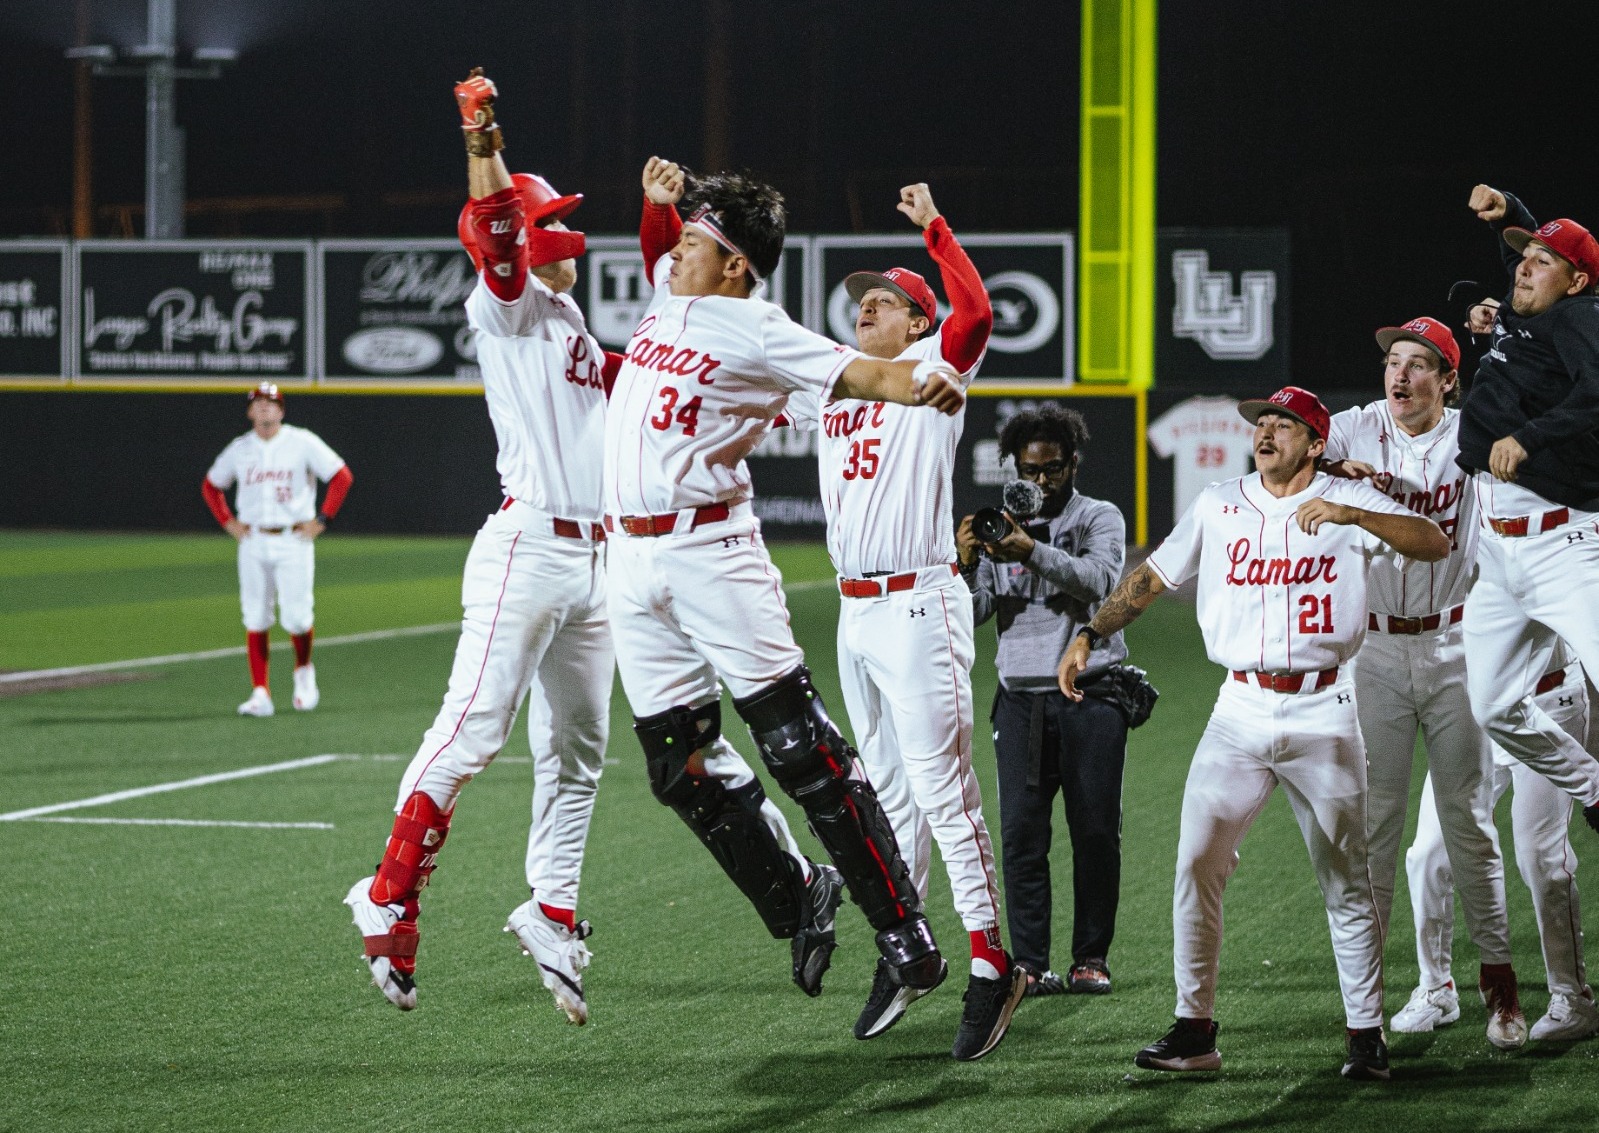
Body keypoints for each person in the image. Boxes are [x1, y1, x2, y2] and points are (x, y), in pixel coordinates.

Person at [604, 156, 977, 1048]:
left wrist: (932, 381)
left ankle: (905, 933)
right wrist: (664, 210)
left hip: (707, 550)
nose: (675, 251)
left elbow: (865, 375)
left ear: (733, 264)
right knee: (675, 767)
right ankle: (800, 892)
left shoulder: (758, 328)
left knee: (797, 747)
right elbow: (665, 249)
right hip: (627, 557)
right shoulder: (670, 294)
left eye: (695, 242)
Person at [1059, 385, 1451, 1081]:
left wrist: (1351, 510)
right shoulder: (1220, 501)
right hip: (1236, 709)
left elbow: (1432, 540)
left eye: (1284, 423)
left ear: (1316, 440)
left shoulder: (1344, 502)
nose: (1265, 431)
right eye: (1259, 421)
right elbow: (1152, 575)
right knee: (1195, 864)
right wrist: (1092, 631)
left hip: (1324, 706)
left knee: (1345, 881)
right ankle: (1193, 1029)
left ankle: (1365, 1036)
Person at [345, 70, 616, 1024]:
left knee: (580, 749)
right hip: (529, 547)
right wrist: (479, 130)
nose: (564, 234)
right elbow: (496, 229)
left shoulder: (572, 319)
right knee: (472, 732)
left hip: (595, 562)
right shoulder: (507, 305)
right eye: (554, 222)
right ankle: (385, 893)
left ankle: (551, 906)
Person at [784, 182, 1024, 1059]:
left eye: (881, 301)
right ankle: (906, 944)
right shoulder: (835, 393)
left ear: (915, 324)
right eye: (861, 301)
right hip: (853, 615)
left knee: (943, 794)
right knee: (881, 793)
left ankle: (994, 966)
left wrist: (932, 229)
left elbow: (978, 309)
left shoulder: (934, 375)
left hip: (920, 604)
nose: (865, 309)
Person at [1320, 317, 1524, 1047]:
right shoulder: (1353, 426)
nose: (1398, 375)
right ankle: (1374, 1000)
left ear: (1447, 379)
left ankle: (1499, 988)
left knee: (1468, 826)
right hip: (1369, 651)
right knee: (1371, 831)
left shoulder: (1473, 434)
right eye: (1391, 362)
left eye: (1417, 364)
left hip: (1455, 642)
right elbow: (1288, 433)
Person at [960, 405, 1130, 1001]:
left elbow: (1103, 584)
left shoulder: (1097, 516)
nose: (1040, 483)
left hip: (1091, 695)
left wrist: (1029, 549)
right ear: (1013, 466)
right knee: (1022, 837)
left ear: (1072, 464)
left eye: (1052, 470)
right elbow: (975, 615)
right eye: (1029, 471)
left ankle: (1091, 957)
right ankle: (1030, 963)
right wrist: (965, 563)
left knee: (1094, 833)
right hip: (1020, 700)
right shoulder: (995, 525)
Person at [1456, 184, 1599, 833]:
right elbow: (1539, 257)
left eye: (1541, 260)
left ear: (1575, 282)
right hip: (1502, 551)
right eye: (1523, 254)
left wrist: (1528, 436)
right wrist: (1510, 214)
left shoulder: (1577, 317)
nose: (1523, 264)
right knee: (1491, 707)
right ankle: (1594, 791)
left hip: (1562, 543)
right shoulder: (1529, 317)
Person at [1401, 650, 1599, 1042]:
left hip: (1549, 703)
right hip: (1476, 711)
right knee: (1430, 851)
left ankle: (1572, 997)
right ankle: (1436, 988)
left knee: (1540, 856)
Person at [201, 382, 352, 717]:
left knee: (297, 618)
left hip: (293, 539)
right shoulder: (240, 449)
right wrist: (228, 522)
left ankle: (303, 671)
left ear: (281, 410)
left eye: (272, 403)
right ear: (250, 411)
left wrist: (322, 519)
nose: (265, 408)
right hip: (253, 539)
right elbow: (211, 486)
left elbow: (341, 476)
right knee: (255, 615)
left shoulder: (301, 442)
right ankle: (260, 693)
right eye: (259, 403)